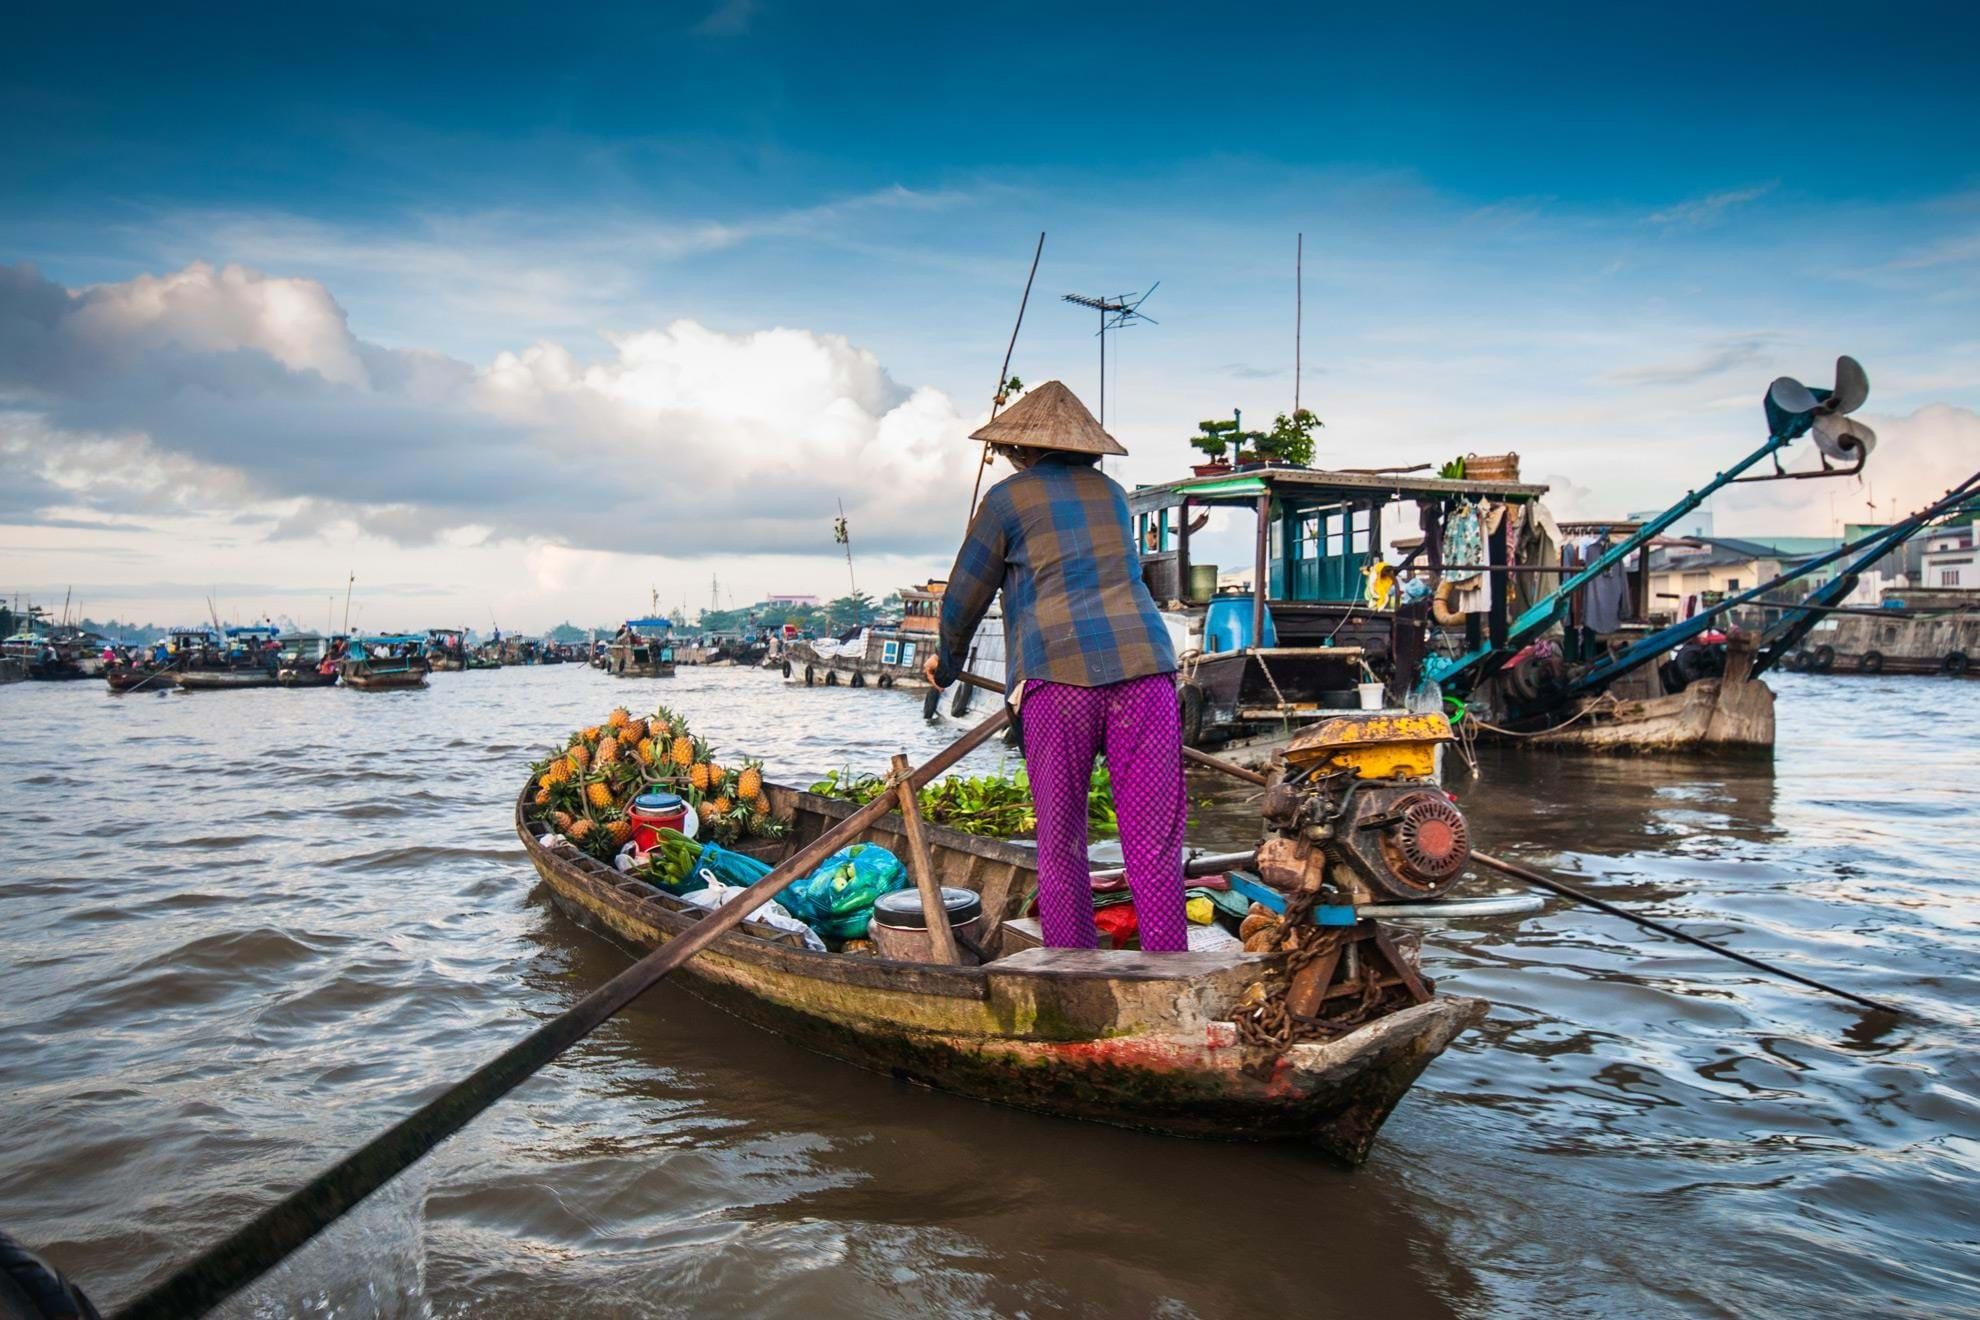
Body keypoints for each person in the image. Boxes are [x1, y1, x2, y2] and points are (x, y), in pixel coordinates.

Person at [922, 380, 1187, 952]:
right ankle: (1170, 962)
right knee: (1154, 840)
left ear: (1020, 449)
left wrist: (946, 666)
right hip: (1147, 671)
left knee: (1062, 839)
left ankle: (1072, 961)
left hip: (1059, 680)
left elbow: (964, 597)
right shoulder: (1113, 494)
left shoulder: (1005, 500)